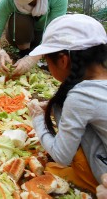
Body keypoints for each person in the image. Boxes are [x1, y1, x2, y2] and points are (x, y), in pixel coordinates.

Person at [26, 14, 107, 194]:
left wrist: (37, 118)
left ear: (63, 60)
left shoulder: (80, 96)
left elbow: (61, 156)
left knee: (61, 108)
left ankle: (87, 178)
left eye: (47, 62)